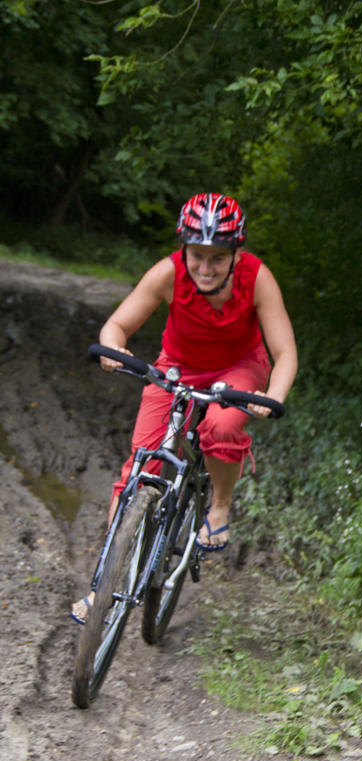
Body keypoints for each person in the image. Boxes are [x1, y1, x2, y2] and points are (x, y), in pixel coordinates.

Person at [71, 192, 298, 624]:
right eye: (197, 256)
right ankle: (105, 586)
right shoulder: (168, 273)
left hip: (240, 368)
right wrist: (114, 347)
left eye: (218, 258)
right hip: (176, 368)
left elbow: (284, 352)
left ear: (235, 254)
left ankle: (219, 507)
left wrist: (275, 396)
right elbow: (117, 324)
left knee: (223, 425)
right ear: (184, 249)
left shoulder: (257, 278)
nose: (206, 268)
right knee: (140, 467)